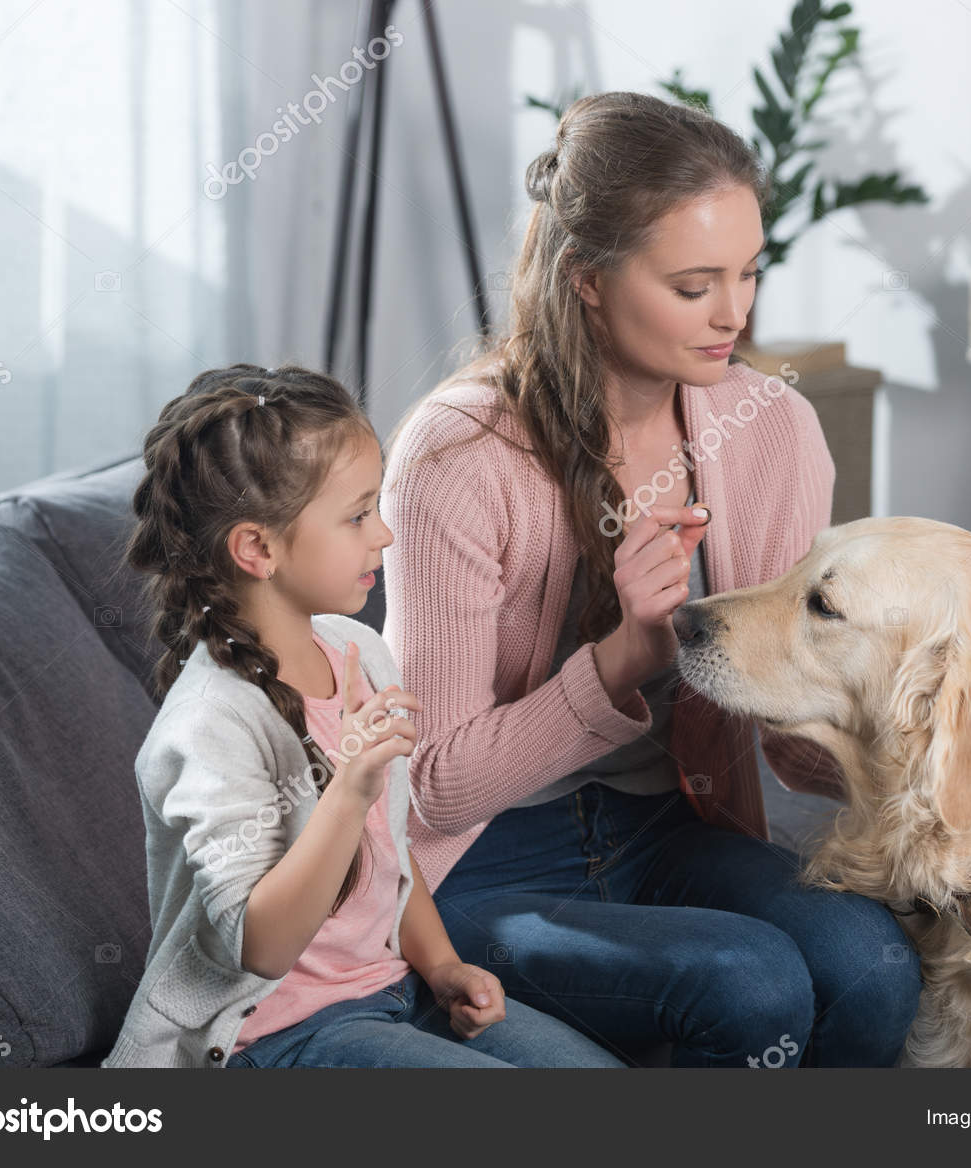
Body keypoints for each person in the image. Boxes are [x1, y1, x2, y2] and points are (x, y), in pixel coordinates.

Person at [379, 91, 924, 1068]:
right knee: (748, 979)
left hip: (665, 823)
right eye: (693, 284)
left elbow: (791, 743)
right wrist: (618, 663)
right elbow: (432, 787)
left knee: (873, 966)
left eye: (748, 274)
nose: (736, 314)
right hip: (481, 861)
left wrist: (929, 748)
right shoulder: (457, 456)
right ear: (587, 278)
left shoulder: (771, 429)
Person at [100, 364, 624, 1068]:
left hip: (392, 992)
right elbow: (260, 945)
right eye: (356, 516)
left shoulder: (357, 650)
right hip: (274, 1038)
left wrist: (441, 967)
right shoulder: (210, 724)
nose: (383, 534)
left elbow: (388, 847)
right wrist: (347, 790)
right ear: (258, 548)